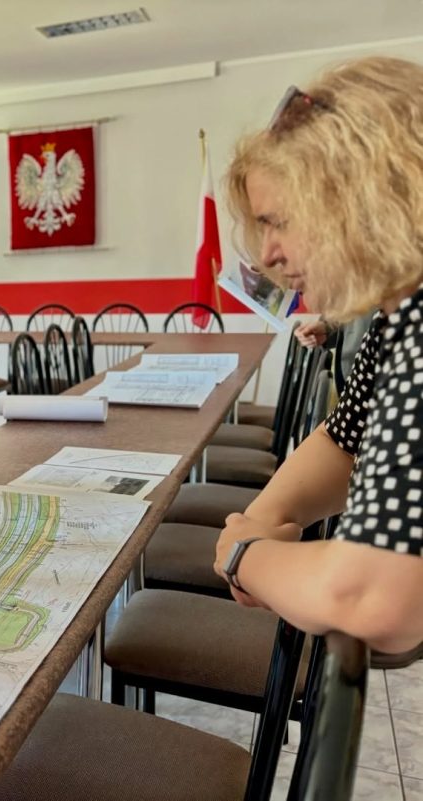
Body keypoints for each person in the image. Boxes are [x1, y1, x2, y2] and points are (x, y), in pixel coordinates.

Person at [213, 56, 423, 657]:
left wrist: (246, 555)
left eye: (278, 222)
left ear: (362, 196)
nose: (269, 254)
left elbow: (377, 596)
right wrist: (262, 518)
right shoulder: (397, 313)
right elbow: (346, 437)